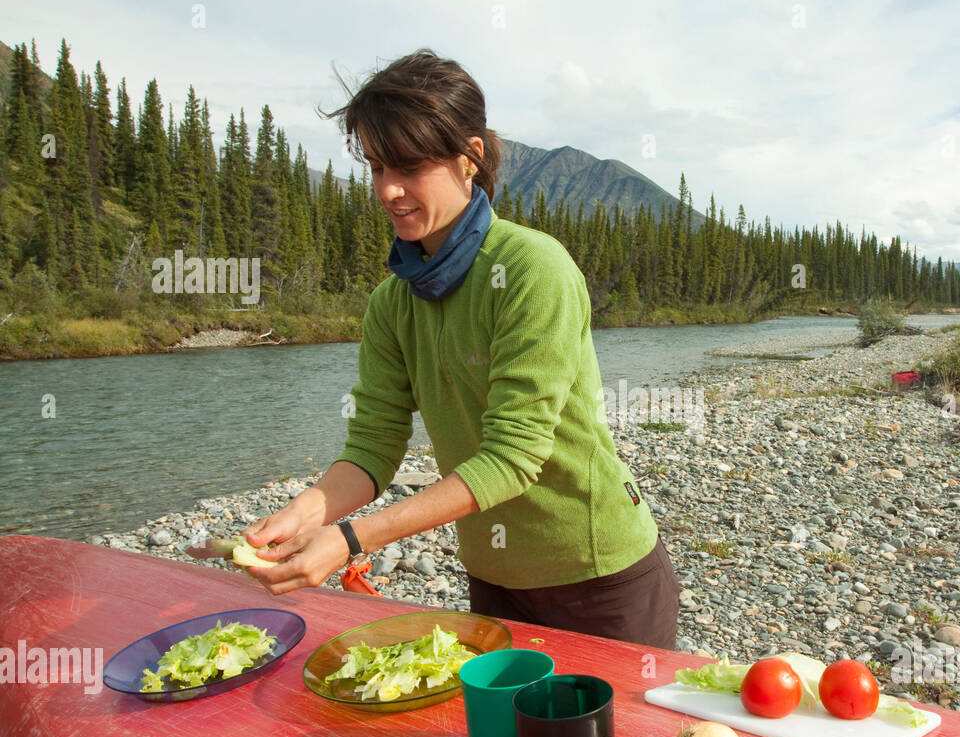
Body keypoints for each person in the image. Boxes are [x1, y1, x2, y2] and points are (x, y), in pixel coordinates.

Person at [241, 50, 681, 650]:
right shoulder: (392, 304)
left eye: (408, 167)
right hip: (494, 576)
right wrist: (302, 516)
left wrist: (350, 540)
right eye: (375, 167)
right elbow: (372, 447)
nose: (388, 190)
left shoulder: (533, 269)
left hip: (600, 577)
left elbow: (513, 457)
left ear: (468, 158)